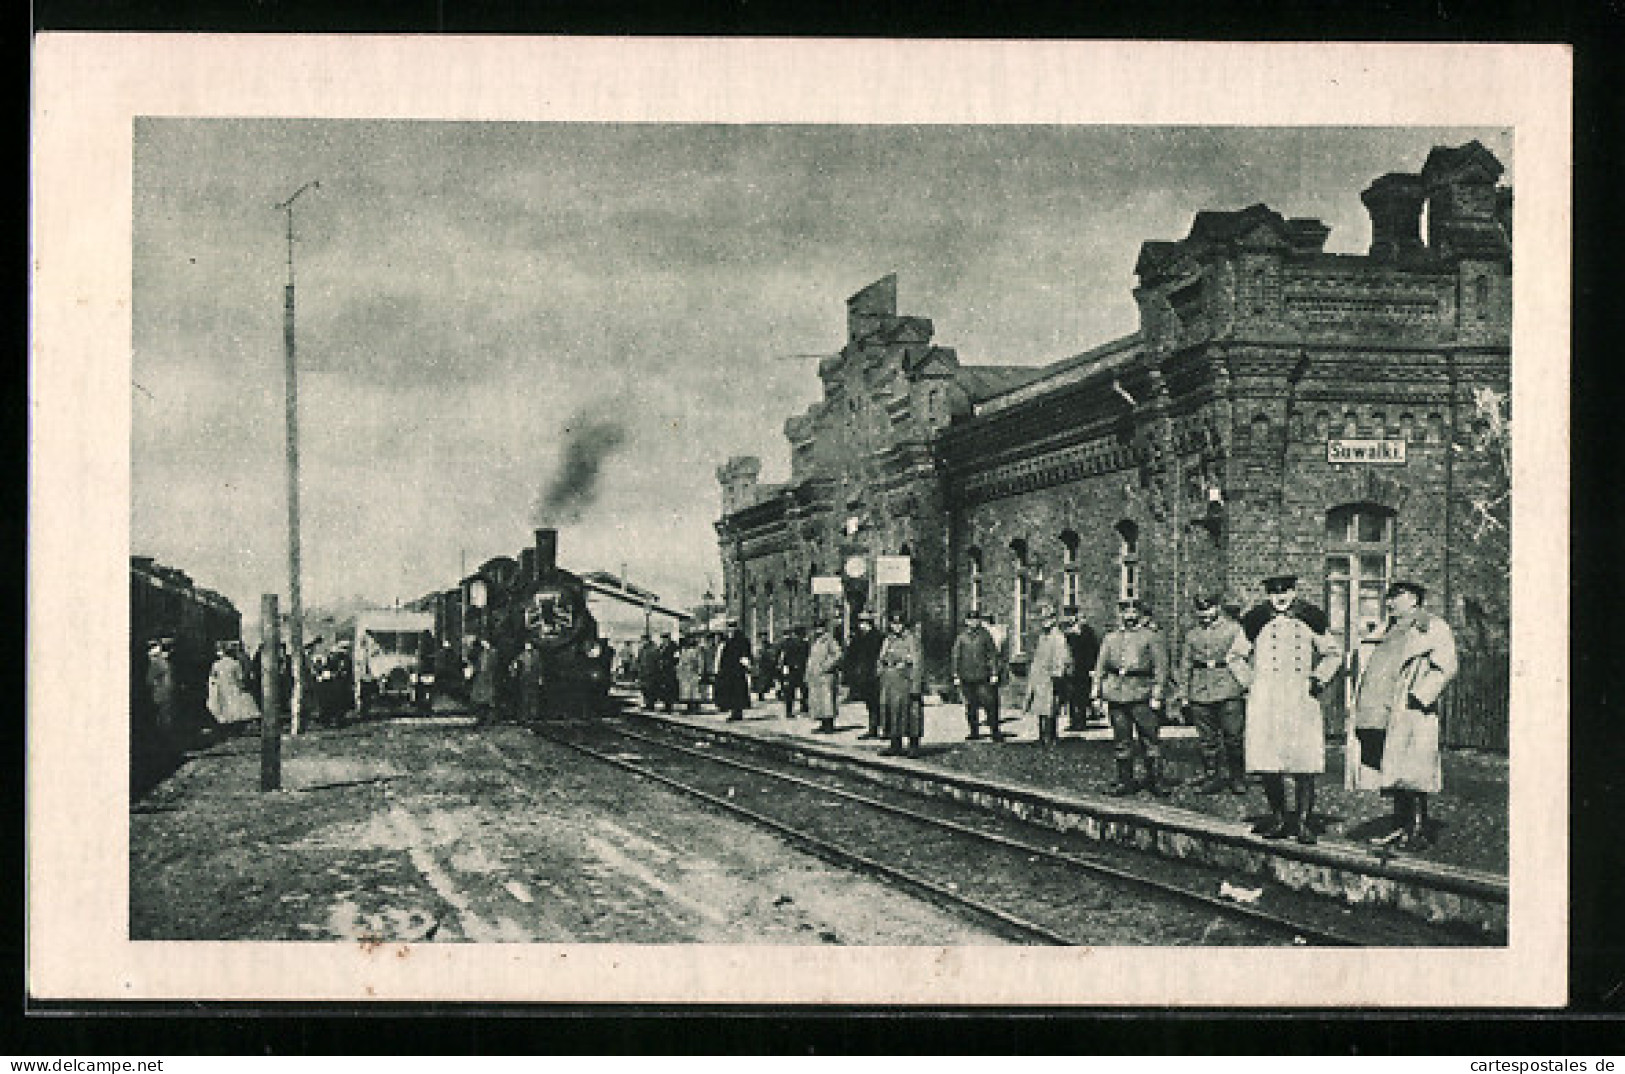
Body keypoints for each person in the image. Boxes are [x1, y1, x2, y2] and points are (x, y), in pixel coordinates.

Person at [1227, 573, 1342, 845]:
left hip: (1301, 697)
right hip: (1266, 699)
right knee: (1269, 762)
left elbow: (1334, 653)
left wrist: (1319, 678)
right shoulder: (1255, 621)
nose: (1280, 598)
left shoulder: (1311, 618)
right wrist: (1250, 683)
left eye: (1286, 592)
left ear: (1294, 592)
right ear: (1268, 595)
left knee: (1304, 762)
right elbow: (1234, 656)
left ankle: (1302, 823)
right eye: (1275, 592)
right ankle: (1279, 818)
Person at [1347, 581, 1459, 851]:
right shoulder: (1388, 630)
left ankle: (1418, 830)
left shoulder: (1431, 626)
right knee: (1393, 769)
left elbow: (1447, 665)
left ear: (1413, 599)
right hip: (1381, 712)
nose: (1390, 603)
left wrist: (1421, 694)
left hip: (1410, 710)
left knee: (1413, 771)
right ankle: (1401, 826)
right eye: (1389, 598)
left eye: (1396, 598)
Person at [1092, 599, 1171, 796]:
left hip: (1141, 693)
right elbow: (1100, 666)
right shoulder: (1110, 638)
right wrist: (1096, 692)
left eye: (1133, 611)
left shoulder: (1150, 637)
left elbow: (1161, 668)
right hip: (1116, 694)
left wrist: (1158, 694)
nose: (1129, 616)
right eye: (1125, 612)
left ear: (1139, 614)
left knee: (1149, 739)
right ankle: (1124, 781)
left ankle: (1155, 781)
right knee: (1121, 739)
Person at [1176, 595, 1248, 794]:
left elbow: (1246, 658)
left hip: (1228, 688)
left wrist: (1246, 686)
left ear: (1217, 607)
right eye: (1201, 611)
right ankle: (1212, 776)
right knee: (1207, 739)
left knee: (1233, 737)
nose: (1205, 615)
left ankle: (1237, 777)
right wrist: (1184, 694)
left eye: (1208, 610)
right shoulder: (1192, 635)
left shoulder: (1234, 630)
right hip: (1200, 692)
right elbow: (1186, 665)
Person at [876, 612, 925, 757]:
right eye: (893, 624)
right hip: (890, 684)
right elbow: (881, 659)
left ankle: (913, 745)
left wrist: (916, 686)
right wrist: (881, 673)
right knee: (891, 713)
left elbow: (917, 663)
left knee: (910, 714)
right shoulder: (888, 640)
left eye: (899, 624)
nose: (896, 627)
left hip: (905, 683)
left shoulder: (911, 640)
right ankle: (894, 744)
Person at [951, 609, 1005, 741]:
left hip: (983, 676)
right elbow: (956, 656)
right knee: (970, 706)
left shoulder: (985, 636)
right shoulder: (961, 637)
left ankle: (995, 732)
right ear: (966, 622)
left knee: (990, 705)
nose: (973, 622)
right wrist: (955, 675)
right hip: (966, 676)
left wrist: (994, 673)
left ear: (979, 621)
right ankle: (974, 731)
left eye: (976, 620)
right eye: (970, 620)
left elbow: (992, 655)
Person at [1025, 606, 1074, 746]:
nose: (1045, 622)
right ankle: (1042, 736)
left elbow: (1061, 657)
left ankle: (1050, 737)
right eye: (1043, 619)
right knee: (1040, 709)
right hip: (1040, 677)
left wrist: (1058, 674)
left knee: (1051, 708)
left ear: (1053, 619)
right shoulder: (1043, 636)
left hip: (1052, 678)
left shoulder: (1058, 637)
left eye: (1048, 618)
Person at [1063, 608, 1102, 732]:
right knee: (1071, 696)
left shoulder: (1086, 631)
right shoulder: (1067, 632)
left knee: (1081, 696)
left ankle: (1081, 721)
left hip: (1083, 669)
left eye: (1072, 616)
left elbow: (1092, 650)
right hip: (1071, 669)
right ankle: (1073, 720)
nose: (1069, 619)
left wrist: (1092, 668)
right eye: (1067, 616)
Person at [845, 612, 883, 739]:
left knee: (877, 702)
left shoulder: (877, 637)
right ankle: (873, 729)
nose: (862, 625)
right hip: (863, 675)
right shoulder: (859, 638)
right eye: (861, 623)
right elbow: (851, 654)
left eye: (864, 623)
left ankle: (880, 729)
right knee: (869, 702)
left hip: (874, 674)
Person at [207, 640, 260, 729]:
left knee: (225, 703)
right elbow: (240, 677)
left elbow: (213, 677)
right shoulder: (235, 664)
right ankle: (238, 722)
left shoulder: (216, 665)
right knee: (236, 702)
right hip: (233, 685)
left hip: (221, 686)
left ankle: (227, 722)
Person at [806, 620, 844, 734]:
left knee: (827, 701)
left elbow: (837, 655)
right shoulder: (816, 642)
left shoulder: (829, 640)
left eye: (820, 628)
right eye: (816, 628)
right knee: (818, 701)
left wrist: (826, 666)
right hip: (816, 676)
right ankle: (822, 722)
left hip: (826, 676)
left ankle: (829, 724)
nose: (818, 630)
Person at [714, 619, 753, 721]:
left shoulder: (742, 640)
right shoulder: (727, 640)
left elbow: (745, 654)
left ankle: (737, 712)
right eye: (729, 626)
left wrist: (746, 664)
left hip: (737, 670)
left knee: (738, 691)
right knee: (730, 691)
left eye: (732, 626)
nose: (730, 629)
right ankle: (734, 711)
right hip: (728, 670)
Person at [777, 626, 810, 718]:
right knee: (803, 690)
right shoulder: (805, 644)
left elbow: (783, 657)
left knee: (791, 691)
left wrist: (783, 668)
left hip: (792, 669)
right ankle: (803, 707)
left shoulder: (788, 643)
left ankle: (789, 711)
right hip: (801, 669)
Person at [469, 638, 501, 726]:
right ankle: (481, 718)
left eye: (485, 642)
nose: (483, 644)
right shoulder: (481, 653)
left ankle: (490, 719)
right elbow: (477, 665)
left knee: (490, 701)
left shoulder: (493, 653)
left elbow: (495, 666)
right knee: (480, 700)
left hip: (489, 679)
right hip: (481, 679)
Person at [512, 639, 544, 724]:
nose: (528, 647)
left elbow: (540, 667)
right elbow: (515, 664)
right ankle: (524, 716)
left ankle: (533, 716)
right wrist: (514, 667)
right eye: (526, 645)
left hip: (534, 678)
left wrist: (540, 678)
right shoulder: (522, 655)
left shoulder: (536, 655)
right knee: (525, 697)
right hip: (525, 678)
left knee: (534, 697)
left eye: (529, 645)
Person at [676, 634, 707, 714]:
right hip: (685, 673)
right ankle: (689, 706)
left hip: (693, 672)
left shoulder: (697, 650)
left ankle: (695, 707)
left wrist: (700, 672)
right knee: (687, 691)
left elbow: (700, 662)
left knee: (694, 691)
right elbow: (681, 662)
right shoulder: (683, 651)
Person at [635, 635, 660, 710]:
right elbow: (638, 660)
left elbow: (657, 660)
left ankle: (651, 703)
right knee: (644, 688)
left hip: (651, 672)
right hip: (643, 672)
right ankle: (647, 703)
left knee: (651, 689)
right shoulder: (642, 649)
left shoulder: (654, 649)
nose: (642, 642)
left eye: (643, 640)